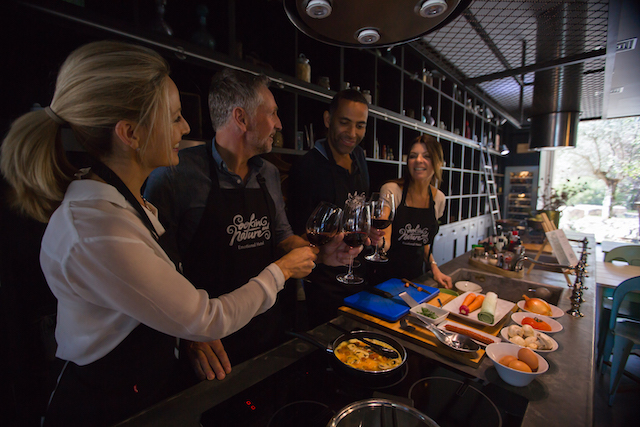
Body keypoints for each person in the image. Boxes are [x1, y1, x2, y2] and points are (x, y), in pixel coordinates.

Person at [0, 40, 320, 427]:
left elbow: (162, 290)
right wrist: (282, 271)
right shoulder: (97, 228)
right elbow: (206, 317)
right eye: (174, 117)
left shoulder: (129, 202)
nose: (186, 128)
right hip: (104, 405)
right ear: (131, 133)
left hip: (152, 383)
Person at [144, 69, 358, 366]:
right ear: (241, 118)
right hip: (212, 342)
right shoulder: (174, 175)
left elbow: (283, 238)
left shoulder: (268, 173)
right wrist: (188, 333)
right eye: (272, 113)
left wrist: (321, 253)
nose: (279, 124)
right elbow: (159, 274)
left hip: (269, 329)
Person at [288, 89, 381, 327]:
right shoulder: (307, 167)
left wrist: (367, 230)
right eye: (344, 123)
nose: (352, 133)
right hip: (322, 287)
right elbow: (295, 236)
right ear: (328, 120)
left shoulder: (359, 156)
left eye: (360, 126)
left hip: (358, 278)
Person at [378, 134, 453, 289]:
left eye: (426, 156)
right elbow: (383, 237)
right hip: (384, 278)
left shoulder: (439, 198)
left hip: (416, 280)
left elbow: (424, 241)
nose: (418, 160)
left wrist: (434, 267)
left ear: (438, 162)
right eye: (413, 156)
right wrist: (377, 241)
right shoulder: (392, 190)